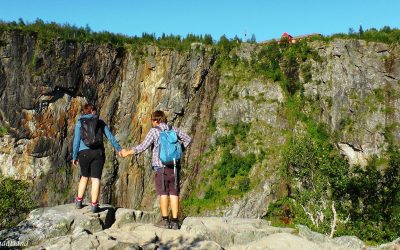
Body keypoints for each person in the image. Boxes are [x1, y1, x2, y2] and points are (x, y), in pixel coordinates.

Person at [121, 110, 191, 229]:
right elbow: (188, 139)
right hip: (174, 167)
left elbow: (142, 147)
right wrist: (178, 151)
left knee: (163, 194)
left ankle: (165, 221)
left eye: (152, 121)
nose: (151, 123)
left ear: (155, 120)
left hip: (161, 168)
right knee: (174, 193)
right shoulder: (173, 129)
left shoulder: (154, 131)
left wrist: (128, 152)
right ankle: (175, 222)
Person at [72, 103, 123, 213]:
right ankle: (94, 205)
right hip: (98, 153)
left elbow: (76, 141)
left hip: (83, 152)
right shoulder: (100, 122)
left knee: (84, 177)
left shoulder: (79, 123)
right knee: (96, 179)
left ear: (85, 112)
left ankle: (79, 201)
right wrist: (119, 149)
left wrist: (74, 156)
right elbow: (110, 137)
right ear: (93, 111)